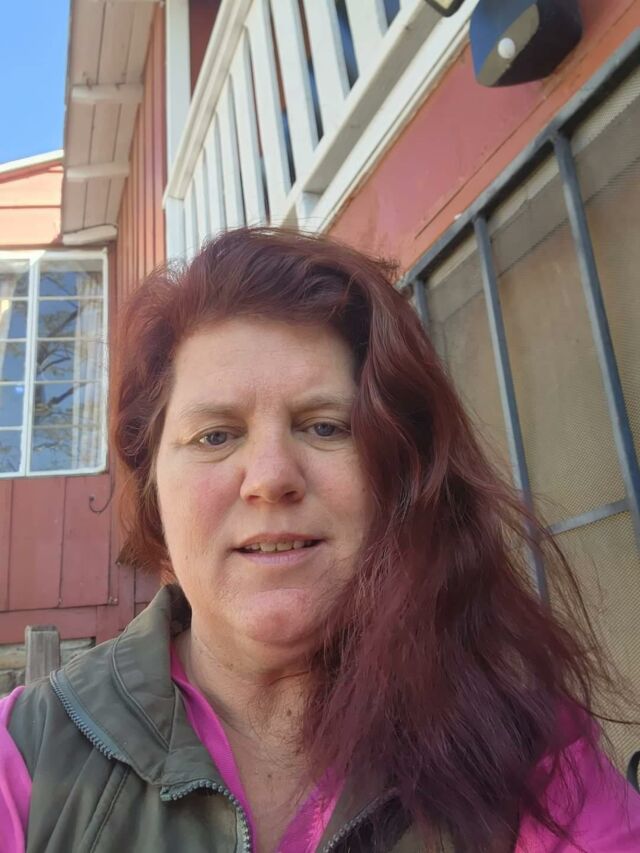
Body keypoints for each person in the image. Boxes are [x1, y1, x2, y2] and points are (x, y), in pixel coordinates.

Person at [1, 227, 639, 853]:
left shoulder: (526, 754)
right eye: (215, 436)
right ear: (153, 490)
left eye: (326, 426)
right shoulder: (27, 755)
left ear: (400, 473)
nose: (271, 477)